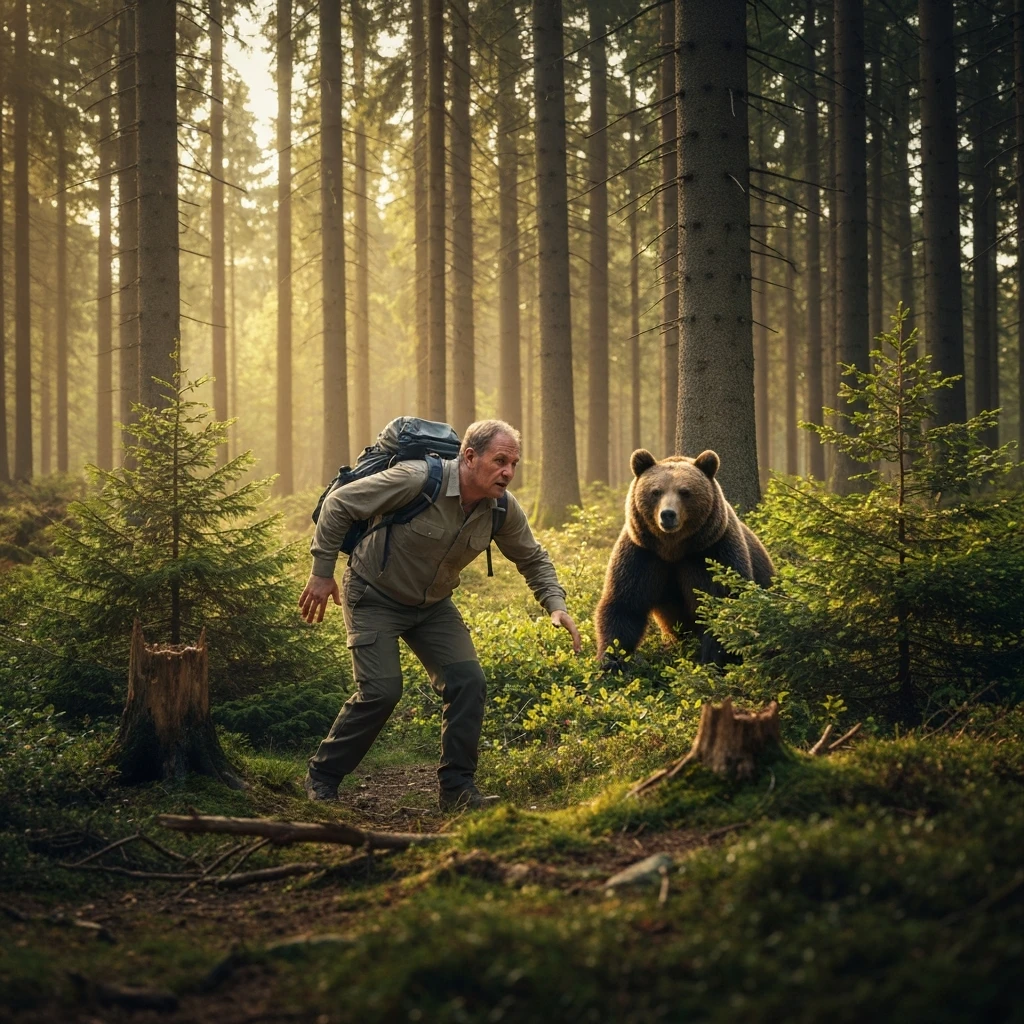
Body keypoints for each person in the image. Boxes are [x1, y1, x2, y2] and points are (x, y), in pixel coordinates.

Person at [299, 419, 581, 810]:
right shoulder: (416, 479)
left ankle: (457, 790)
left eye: (514, 464)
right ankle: (322, 777)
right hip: (373, 595)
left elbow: (533, 558)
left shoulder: (501, 508)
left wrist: (556, 605)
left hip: (432, 607)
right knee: (381, 692)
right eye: (500, 461)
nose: (508, 472)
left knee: (468, 681)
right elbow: (339, 504)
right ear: (469, 456)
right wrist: (321, 572)